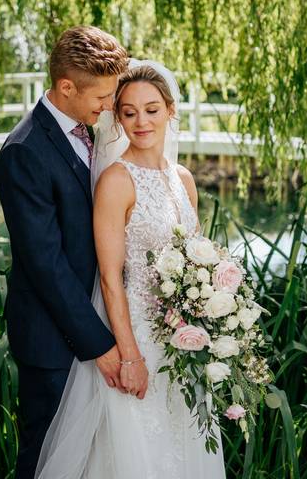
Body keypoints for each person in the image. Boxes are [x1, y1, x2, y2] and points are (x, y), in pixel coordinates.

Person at [34, 62, 225, 478]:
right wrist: (130, 356)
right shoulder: (117, 181)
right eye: (129, 111)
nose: (142, 121)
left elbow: (198, 263)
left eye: (152, 110)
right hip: (137, 341)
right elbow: (110, 278)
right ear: (117, 118)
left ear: (171, 111)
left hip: (183, 343)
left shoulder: (184, 179)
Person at [0, 26, 131, 479]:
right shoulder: (24, 151)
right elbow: (45, 265)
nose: (109, 107)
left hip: (100, 321)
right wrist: (99, 344)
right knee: (47, 458)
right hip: (55, 342)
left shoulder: (94, 130)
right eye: (102, 97)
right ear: (65, 86)